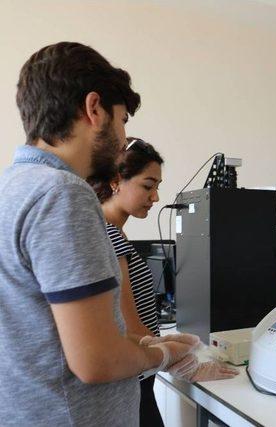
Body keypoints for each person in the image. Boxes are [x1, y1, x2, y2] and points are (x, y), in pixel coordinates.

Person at [0, 42, 198, 426]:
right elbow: (97, 360)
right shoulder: (62, 193)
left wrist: (147, 342)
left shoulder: (12, 186)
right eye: (121, 120)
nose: (124, 139)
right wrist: (165, 355)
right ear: (94, 109)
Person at [88, 137, 239, 425]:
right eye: (148, 185)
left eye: (157, 187)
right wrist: (184, 361)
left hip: (138, 376)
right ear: (115, 181)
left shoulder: (112, 234)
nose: (155, 197)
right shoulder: (109, 236)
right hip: (132, 380)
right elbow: (129, 328)